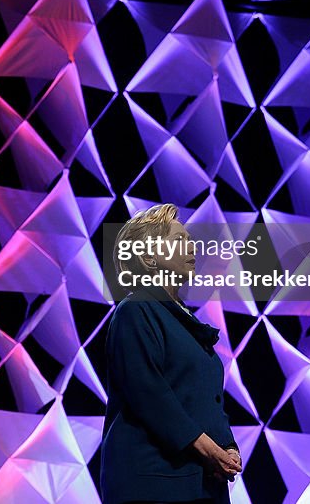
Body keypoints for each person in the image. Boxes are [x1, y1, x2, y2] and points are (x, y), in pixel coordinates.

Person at [100, 203, 241, 504]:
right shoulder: (135, 310)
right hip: (155, 482)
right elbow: (148, 393)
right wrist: (207, 447)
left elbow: (202, 396)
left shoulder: (183, 320)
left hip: (202, 482)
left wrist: (227, 445)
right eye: (179, 240)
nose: (191, 246)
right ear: (149, 257)